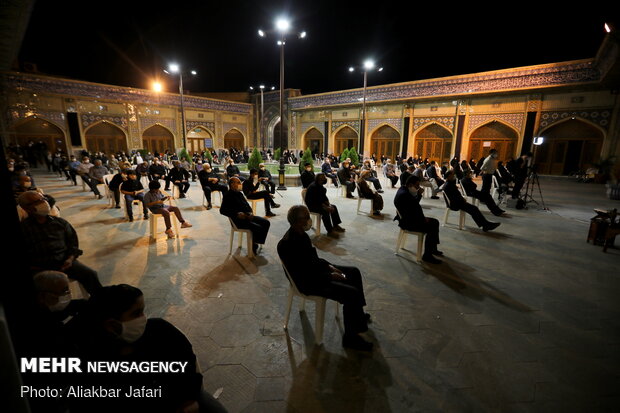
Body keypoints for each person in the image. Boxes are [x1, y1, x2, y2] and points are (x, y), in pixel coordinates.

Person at [71, 284, 228, 413]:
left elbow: (187, 364)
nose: (143, 319)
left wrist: (188, 399)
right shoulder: (91, 357)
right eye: (136, 313)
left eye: (143, 311)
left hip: (183, 398)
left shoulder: (160, 330)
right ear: (111, 325)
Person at [278, 205, 373, 351]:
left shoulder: (301, 234)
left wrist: (329, 266)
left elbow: (313, 259)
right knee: (351, 293)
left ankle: (358, 317)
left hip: (315, 272)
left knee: (353, 272)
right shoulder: (288, 244)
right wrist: (329, 276)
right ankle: (350, 338)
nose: (309, 220)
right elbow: (303, 274)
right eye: (306, 217)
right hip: (308, 282)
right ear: (297, 221)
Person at [18, 191, 103, 293]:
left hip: (65, 263)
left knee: (91, 275)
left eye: (43, 199)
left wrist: (70, 259)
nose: (43, 202)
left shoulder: (60, 223)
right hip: (39, 269)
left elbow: (73, 244)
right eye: (36, 202)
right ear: (25, 208)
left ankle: (100, 301)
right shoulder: (24, 229)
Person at [394, 175, 443, 264]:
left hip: (408, 218)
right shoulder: (405, 195)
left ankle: (432, 249)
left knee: (434, 222)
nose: (418, 187)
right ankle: (427, 255)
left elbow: (413, 206)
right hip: (408, 222)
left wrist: (418, 194)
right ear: (410, 185)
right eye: (416, 185)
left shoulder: (403, 190)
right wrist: (423, 220)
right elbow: (414, 209)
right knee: (433, 225)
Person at [221, 177, 271, 255]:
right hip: (238, 220)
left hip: (248, 216)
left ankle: (256, 242)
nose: (240, 185)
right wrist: (237, 214)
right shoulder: (227, 195)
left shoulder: (240, 194)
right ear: (232, 184)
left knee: (266, 223)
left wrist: (250, 212)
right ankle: (253, 246)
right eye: (238, 183)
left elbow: (247, 206)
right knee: (257, 227)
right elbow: (223, 210)